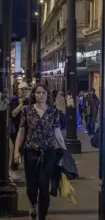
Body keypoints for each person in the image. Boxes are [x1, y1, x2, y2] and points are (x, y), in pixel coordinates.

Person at [13, 84, 67, 220]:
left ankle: (42, 216)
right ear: (34, 95)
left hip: (48, 153)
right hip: (31, 152)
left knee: (44, 186)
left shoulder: (53, 112)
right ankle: (33, 203)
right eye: (38, 92)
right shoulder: (27, 111)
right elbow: (21, 131)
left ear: (47, 95)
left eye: (43, 93)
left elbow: (57, 133)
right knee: (31, 187)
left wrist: (65, 151)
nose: (40, 95)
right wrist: (16, 151)